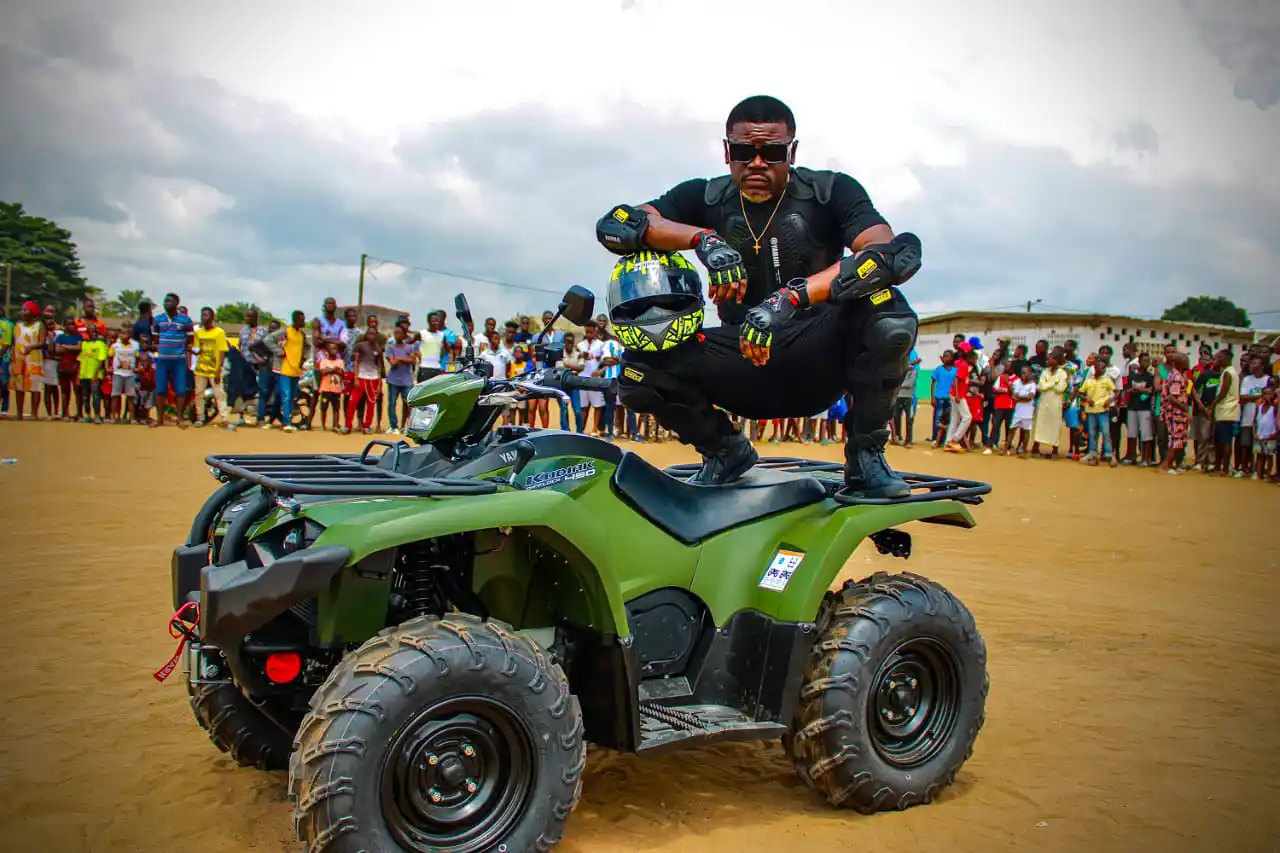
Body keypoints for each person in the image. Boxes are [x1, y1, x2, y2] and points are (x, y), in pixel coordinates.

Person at [597, 95, 922, 496]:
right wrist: (703, 240)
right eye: (742, 152)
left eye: (772, 153)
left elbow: (888, 252)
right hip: (742, 360)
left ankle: (865, 458)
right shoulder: (705, 196)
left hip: (818, 354)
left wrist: (788, 300)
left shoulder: (830, 191)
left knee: (887, 312)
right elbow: (617, 224)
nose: (756, 163)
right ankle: (724, 450)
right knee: (638, 368)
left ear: (792, 152)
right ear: (726, 151)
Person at [151, 293, 194, 428]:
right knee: (160, 389)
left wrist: (179, 347)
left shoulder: (185, 320)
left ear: (176, 303)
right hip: (162, 359)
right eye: (165, 301)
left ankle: (180, 419)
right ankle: (159, 419)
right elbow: (155, 338)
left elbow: (190, 338)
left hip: (179, 360)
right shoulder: (158, 319)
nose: (166, 303)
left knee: (180, 390)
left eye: (169, 301)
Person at [264, 310, 311, 433]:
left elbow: (307, 347)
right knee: (286, 395)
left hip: (296, 369)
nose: (304, 321)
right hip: (284, 368)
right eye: (302, 319)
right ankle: (286, 422)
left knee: (291, 396)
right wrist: (279, 352)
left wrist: (304, 358)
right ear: (295, 320)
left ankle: (285, 419)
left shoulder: (302, 334)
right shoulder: (285, 331)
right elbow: (268, 340)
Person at [192, 307, 233, 429]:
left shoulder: (219, 332)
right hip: (200, 368)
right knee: (199, 393)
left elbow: (222, 352)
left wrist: (218, 370)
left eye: (206, 315)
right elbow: (197, 350)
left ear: (212, 317)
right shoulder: (198, 333)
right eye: (202, 315)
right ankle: (200, 418)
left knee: (219, 394)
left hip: (214, 369)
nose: (204, 318)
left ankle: (224, 418)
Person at [1077, 359, 1118, 466]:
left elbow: (1116, 392)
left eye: (1104, 368)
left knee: (1105, 432)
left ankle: (1109, 454)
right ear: (1095, 368)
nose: (1103, 369)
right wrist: (1086, 399)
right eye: (1101, 367)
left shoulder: (1107, 380)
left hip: (1102, 410)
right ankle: (1093, 454)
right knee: (1092, 433)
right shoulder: (1088, 381)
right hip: (1091, 410)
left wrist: (1110, 400)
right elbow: (1080, 393)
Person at [1032, 349, 1069, 459]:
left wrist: (1048, 385)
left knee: (1055, 425)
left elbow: (1060, 388)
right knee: (1040, 424)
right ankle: (1035, 447)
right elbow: (1041, 387)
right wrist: (1052, 384)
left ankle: (1055, 449)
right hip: (1044, 402)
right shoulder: (1044, 372)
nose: (1047, 361)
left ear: (1056, 360)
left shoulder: (1062, 373)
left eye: (1050, 359)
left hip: (1055, 402)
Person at [1237, 355, 1271, 476]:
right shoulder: (1247, 379)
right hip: (1248, 416)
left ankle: (1259, 469)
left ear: (1262, 366)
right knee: (1245, 444)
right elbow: (1243, 396)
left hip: (1263, 418)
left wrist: (1254, 398)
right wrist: (1261, 396)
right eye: (1251, 363)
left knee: (1261, 446)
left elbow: (1269, 396)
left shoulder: (1268, 379)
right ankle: (1244, 468)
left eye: (1255, 364)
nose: (1252, 366)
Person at [1208, 348, 1239, 476]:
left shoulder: (1228, 372)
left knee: (1224, 441)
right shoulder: (1231, 371)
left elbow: (1223, 392)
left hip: (1226, 411)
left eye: (1220, 357)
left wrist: (1213, 404)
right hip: (1227, 411)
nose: (1218, 360)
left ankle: (1224, 469)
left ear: (1227, 358)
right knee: (1222, 441)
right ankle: (1220, 467)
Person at [1159, 352, 1191, 474]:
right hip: (1175, 412)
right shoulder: (1177, 377)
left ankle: (1169, 465)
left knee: (1178, 439)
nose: (1188, 362)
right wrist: (1185, 408)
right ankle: (1165, 466)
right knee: (1175, 439)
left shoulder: (1175, 375)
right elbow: (1172, 397)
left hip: (1175, 411)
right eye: (1186, 360)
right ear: (1180, 363)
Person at [1123, 352, 1155, 466]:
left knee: (1146, 434)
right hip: (1132, 407)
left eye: (1148, 361)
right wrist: (1142, 390)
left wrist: (1138, 389)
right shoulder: (1132, 375)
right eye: (1145, 361)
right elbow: (1128, 389)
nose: (1147, 363)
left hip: (1145, 408)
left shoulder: (1150, 376)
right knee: (1131, 434)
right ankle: (1131, 456)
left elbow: (1150, 391)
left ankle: (1145, 459)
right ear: (1139, 362)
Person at [944, 343, 975, 452]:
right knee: (967, 417)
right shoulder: (963, 365)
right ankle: (955, 439)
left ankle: (948, 442)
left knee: (955, 419)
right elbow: (957, 379)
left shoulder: (958, 363)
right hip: (958, 395)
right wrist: (958, 395)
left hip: (955, 393)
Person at [110, 324, 141, 424]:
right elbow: (109, 356)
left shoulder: (135, 346)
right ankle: (114, 417)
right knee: (115, 395)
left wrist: (137, 368)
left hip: (130, 375)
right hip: (118, 374)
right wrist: (108, 367)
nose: (122, 335)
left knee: (131, 396)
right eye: (121, 333)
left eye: (124, 333)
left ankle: (132, 418)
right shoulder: (115, 346)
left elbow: (138, 358)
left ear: (130, 335)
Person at [77, 322, 107, 423]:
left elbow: (101, 361)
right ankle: (88, 415)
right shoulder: (84, 344)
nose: (92, 333)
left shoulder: (101, 344)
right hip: (84, 374)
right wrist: (79, 375)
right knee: (85, 397)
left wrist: (95, 375)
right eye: (89, 331)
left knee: (96, 396)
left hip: (95, 375)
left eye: (94, 331)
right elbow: (80, 360)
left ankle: (97, 415)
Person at [929, 350, 956, 447]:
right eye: (944, 356)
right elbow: (933, 383)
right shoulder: (938, 369)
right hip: (939, 397)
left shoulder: (955, 370)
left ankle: (944, 439)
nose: (944, 358)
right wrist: (932, 397)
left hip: (950, 398)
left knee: (948, 419)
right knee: (937, 419)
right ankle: (935, 438)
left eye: (947, 356)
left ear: (952, 358)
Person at [1010, 365, 1037, 457]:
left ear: (1030, 373)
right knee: (1012, 429)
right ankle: (1006, 447)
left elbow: (1029, 398)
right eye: (1022, 373)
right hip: (1018, 410)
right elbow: (1013, 396)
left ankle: (1024, 450)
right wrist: (1022, 397)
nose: (1023, 375)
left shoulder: (1032, 384)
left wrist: (1019, 397)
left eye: (1025, 373)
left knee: (1026, 431)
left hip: (1028, 411)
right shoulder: (1017, 382)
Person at [988, 362, 1015, 454]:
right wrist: (1006, 390)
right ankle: (992, 444)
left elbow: (1013, 392)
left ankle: (1007, 446)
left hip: (1010, 406)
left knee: (1008, 427)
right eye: (1005, 367)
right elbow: (995, 389)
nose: (1006, 368)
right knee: (995, 425)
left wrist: (1007, 386)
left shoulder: (1016, 379)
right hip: (999, 405)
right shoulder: (1001, 377)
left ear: (1012, 368)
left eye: (1008, 367)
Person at [1254, 385, 1277, 482]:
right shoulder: (1259, 407)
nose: (1267, 396)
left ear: (1273, 395)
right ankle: (1259, 475)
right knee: (1259, 456)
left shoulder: (1275, 408)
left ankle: (1268, 475)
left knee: (1269, 456)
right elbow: (1254, 421)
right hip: (1259, 435)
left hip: (1270, 435)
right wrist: (1254, 433)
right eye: (1265, 393)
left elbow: (1277, 421)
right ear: (1262, 395)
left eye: (1269, 394)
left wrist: (1275, 433)